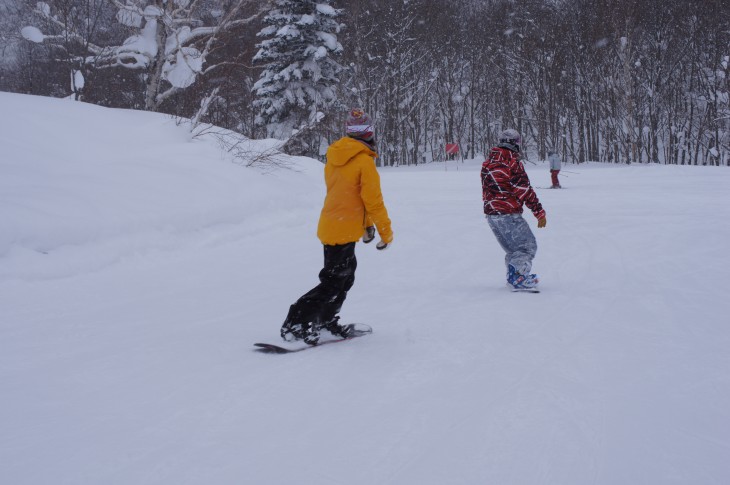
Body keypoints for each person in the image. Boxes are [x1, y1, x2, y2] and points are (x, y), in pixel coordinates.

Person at [280, 108, 393, 345]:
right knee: (333, 282)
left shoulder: (336, 156)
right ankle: (296, 323)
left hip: (334, 225)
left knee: (344, 278)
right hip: (342, 230)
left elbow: (348, 196)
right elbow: (372, 201)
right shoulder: (363, 161)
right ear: (369, 135)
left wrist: (366, 226)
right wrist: (385, 232)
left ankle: (324, 321)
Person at [481, 128, 547, 290]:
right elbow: (524, 189)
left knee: (513, 249)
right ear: (515, 144)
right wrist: (538, 211)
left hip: (492, 214)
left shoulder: (488, 162)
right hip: (508, 212)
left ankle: (514, 276)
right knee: (527, 246)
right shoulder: (512, 162)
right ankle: (517, 275)